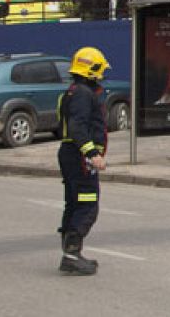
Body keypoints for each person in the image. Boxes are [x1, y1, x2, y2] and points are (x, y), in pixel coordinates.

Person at [57, 46, 110, 276]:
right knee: (87, 205)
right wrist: (92, 154)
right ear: (91, 71)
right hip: (79, 158)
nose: (102, 75)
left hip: (72, 155)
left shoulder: (74, 91)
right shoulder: (82, 94)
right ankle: (71, 254)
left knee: (75, 203)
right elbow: (78, 126)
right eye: (99, 70)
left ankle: (71, 253)